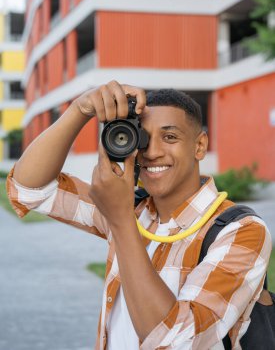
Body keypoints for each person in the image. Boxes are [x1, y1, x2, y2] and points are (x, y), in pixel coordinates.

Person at [6, 81, 272, 350]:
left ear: (199, 145)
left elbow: (177, 341)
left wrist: (121, 221)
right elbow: (29, 189)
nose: (152, 153)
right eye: (141, 139)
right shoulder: (132, 209)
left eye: (170, 137)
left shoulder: (241, 231)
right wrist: (79, 109)